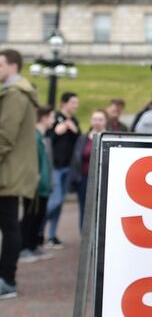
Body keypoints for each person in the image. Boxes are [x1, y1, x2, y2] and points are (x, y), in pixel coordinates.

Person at [0, 49, 41, 299]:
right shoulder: (16, 92)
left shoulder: (15, 94)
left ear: (13, 66)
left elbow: (5, 136)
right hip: (12, 170)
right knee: (9, 225)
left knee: (10, 226)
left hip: (8, 172)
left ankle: (7, 280)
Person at [19, 106, 55, 265]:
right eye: (52, 117)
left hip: (42, 186)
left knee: (38, 216)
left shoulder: (41, 136)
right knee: (30, 216)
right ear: (45, 117)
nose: (53, 120)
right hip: (35, 186)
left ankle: (32, 246)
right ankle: (23, 248)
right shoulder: (35, 137)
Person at [44, 91, 79, 250]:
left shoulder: (74, 121)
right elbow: (47, 138)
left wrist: (75, 131)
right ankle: (37, 227)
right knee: (55, 200)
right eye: (72, 103)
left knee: (59, 205)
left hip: (68, 167)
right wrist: (55, 132)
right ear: (64, 103)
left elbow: (79, 143)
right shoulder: (55, 117)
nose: (75, 106)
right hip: (55, 167)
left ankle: (52, 235)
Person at [70, 109, 106, 231]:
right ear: (91, 121)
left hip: (103, 179)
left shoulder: (109, 139)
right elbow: (76, 158)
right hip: (84, 179)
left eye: (100, 119)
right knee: (84, 210)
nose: (97, 122)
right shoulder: (83, 139)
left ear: (105, 121)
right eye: (95, 119)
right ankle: (84, 237)